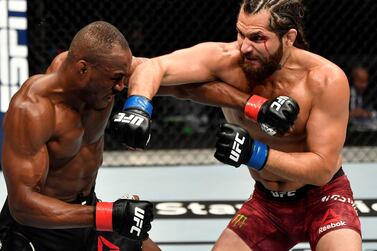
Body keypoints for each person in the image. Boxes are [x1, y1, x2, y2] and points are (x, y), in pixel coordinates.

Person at [119, 0, 362, 250]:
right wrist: (138, 107)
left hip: (324, 199)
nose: (245, 47)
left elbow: (322, 168)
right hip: (267, 204)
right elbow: (151, 66)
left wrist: (252, 153)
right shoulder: (226, 61)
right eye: (240, 34)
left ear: (289, 38)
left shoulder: (324, 79)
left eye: (258, 38)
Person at [0, 21, 158, 251]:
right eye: (116, 79)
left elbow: (154, 68)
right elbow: (22, 205)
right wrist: (109, 215)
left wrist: (138, 107)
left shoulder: (101, 69)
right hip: (39, 228)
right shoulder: (33, 109)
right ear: (83, 70)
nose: (122, 86)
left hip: (86, 211)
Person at [349, 65, 377, 131]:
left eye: (365, 81)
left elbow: (373, 110)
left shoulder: (370, 92)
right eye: (360, 81)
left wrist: (368, 113)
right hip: (351, 124)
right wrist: (352, 113)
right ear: (353, 80)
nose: (364, 85)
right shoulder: (347, 93)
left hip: (368, 122)